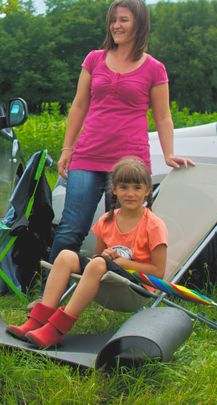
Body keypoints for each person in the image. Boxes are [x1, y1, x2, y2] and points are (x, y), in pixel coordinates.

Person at [49, 0, 193, 266]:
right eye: (113, 20)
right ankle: (49, 291)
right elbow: (79, 105)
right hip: (87, 156)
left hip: (129, 162)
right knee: (71, 227)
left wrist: (169, 153)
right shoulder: (94, 59)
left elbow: (163, 116)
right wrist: (67, 149)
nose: (116, 25)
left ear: (139, 24)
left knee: (125, 235)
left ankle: (115, 291)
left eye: (123, 20)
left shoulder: (154, 68)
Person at [7, 157, 167, 349]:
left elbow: (158, 272)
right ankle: (38, 320)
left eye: (137, 188)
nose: (130, 193)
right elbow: (96, 258)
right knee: (66, 255)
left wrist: (121, 263)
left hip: (136, 287)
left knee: (98, 263)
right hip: (107, 278)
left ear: (147, 190)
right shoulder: (107, 219)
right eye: (124, 187)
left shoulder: (154, 225)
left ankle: (57, 329)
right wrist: (106, 257)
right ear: (114, 190)